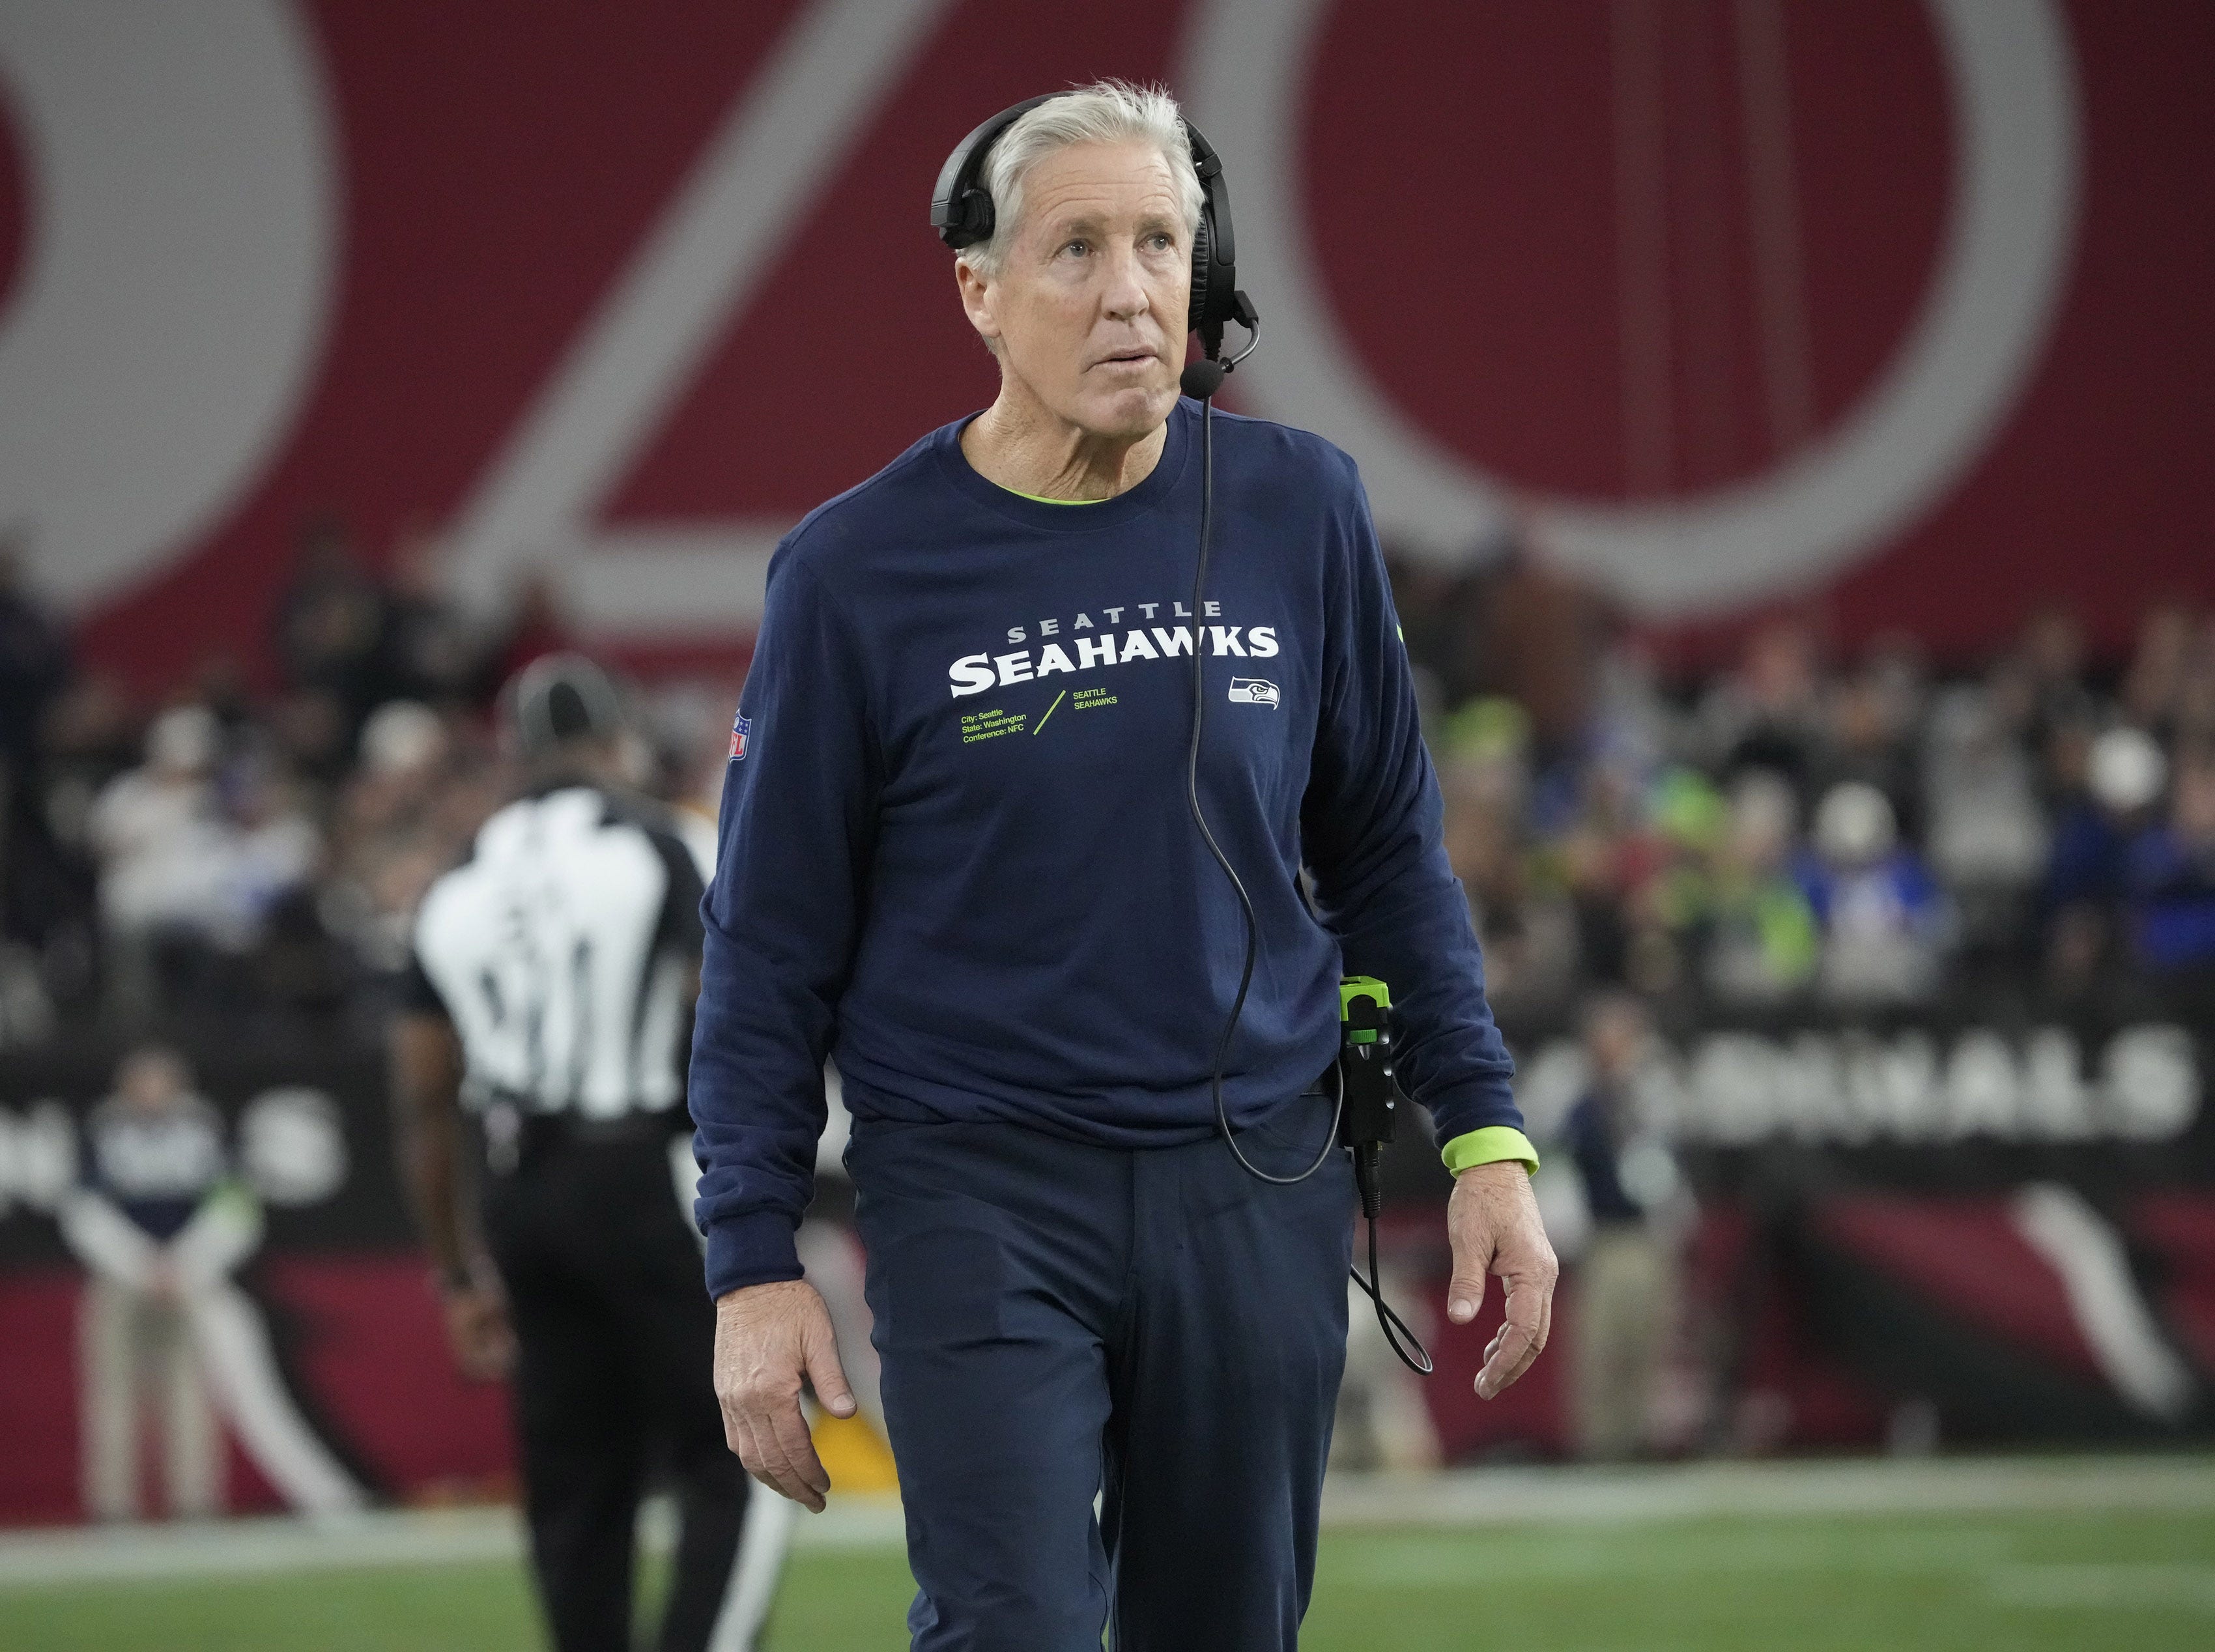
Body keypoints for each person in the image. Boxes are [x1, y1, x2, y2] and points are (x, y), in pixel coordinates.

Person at [689, 81, 1556, 1651]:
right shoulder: (854, 571)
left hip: (1255, 1180)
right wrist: (750, 1260)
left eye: (1160, 242)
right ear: (979, 289)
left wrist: (1485, 1129)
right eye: (1076, 249)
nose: (1130, 290)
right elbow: (765, 948)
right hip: (978, 1187)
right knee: (1009, 1625)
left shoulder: (1300, 504)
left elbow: (1384, 854)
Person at [391, 656, 780, 1652]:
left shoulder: (458, 876)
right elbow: (737, 1005)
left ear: (517, 757)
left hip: (519, 1191)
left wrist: (454, 1271)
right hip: (642, 1172)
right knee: (746, 1450)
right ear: (617, 742)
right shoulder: (661, 841)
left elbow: (425, 1097)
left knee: (576, 1488)